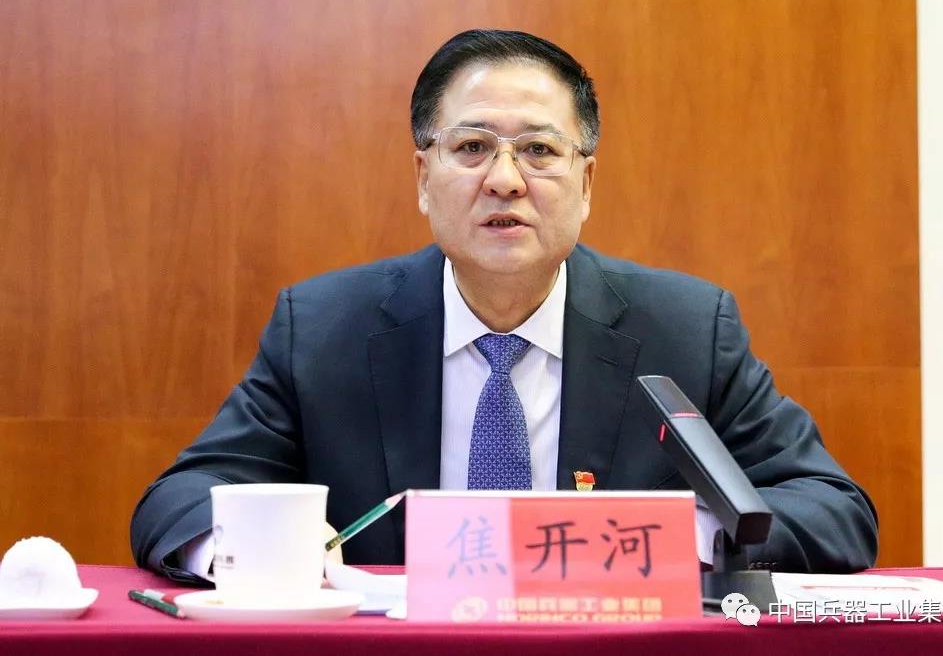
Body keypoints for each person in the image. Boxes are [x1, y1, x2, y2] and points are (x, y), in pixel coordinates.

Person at [131, 29, 878, 582]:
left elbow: (833, 508)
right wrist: (259, 551)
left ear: (587, 183)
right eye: (472, 148)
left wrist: (673, 536)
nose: (506, 180)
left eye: (540, 151)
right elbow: (182, 500)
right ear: (423, 178)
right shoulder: (325, 329)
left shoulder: (684, 330)